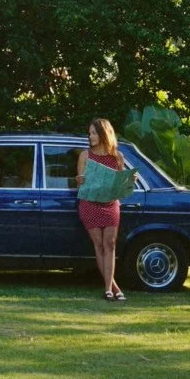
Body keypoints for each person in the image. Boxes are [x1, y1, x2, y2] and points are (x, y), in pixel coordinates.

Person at [76, 117, 128, 302]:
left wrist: (129, 181)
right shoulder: (85, 156)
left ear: (104, 133)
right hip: (90, 204)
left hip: (110, 204)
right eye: (89, 133)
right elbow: (80, 183)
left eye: (93, 133)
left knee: (110, 245)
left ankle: (109, 287)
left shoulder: (117, 157)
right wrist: (79, 180)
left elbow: (121, 185)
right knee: (99, 244)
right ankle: (111, 288)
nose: (90, 136)